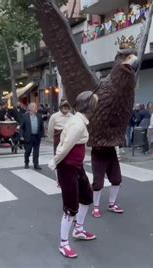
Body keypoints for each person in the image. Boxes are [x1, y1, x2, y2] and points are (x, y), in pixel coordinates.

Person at [48, 91, 99, 258]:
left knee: (86, 197)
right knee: (71, 208)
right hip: (68, 168)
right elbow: (65, 147)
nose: (96, 109)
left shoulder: (77, 121)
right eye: (94, 106)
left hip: (76, 167)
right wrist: (55, 163)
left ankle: (79, 230)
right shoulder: (77, 125)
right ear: (89, 108)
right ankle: (63, 243)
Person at [20, 102, 44, 170]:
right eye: (33, 106)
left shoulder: (39, 116)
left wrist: (42, 134)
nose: (35, 107)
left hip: (37, 136)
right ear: (29, 108)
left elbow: (41, 126)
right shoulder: (25, 116)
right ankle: (26, 162)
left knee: (36, 152)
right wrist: (21, 135)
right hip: (28, 136)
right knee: (28, 151)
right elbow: (21, 127)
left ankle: (36, 164)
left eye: (35, 106)